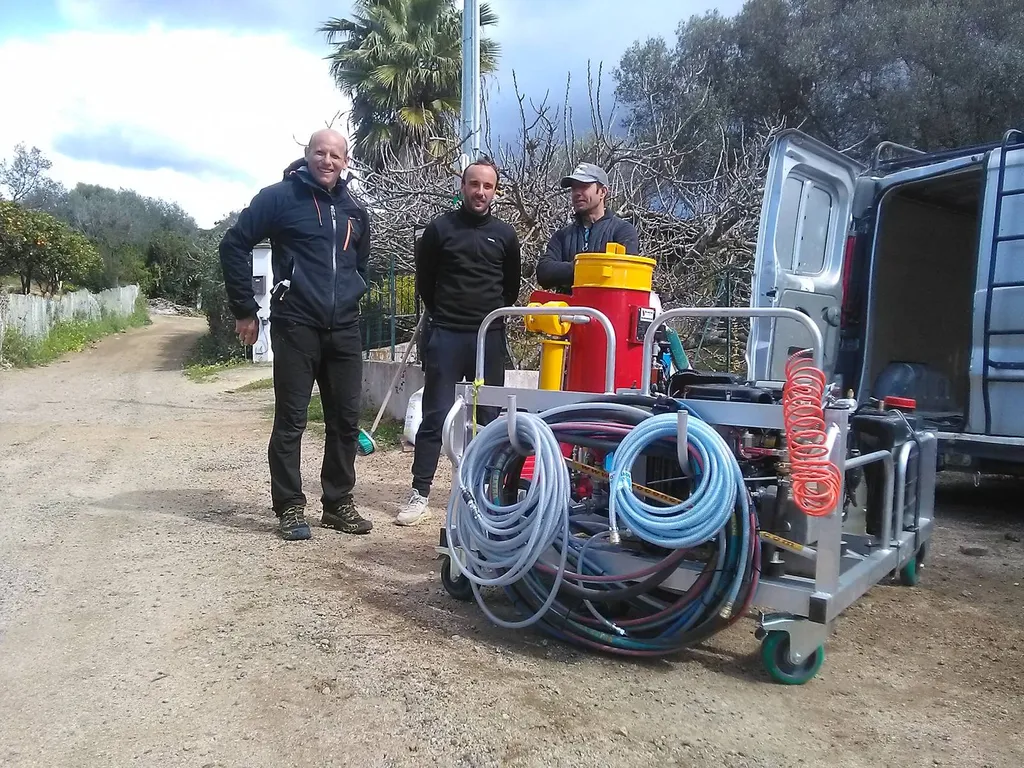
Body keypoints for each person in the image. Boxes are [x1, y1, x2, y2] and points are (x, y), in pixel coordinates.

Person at [218, 128, 374, 541]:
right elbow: (234, 244)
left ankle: (338, 504)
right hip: (296, 325)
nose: (327, 161)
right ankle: (289, 506)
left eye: (335, 155)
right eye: (320, 153)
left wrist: (355, 296)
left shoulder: (356, 211)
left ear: (345, 162)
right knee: (291, 421)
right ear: (307, 156)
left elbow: (361, 265)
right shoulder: (279, 198)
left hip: (344, 329)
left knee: (344, 420)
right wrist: (244, 309)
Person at [395, 159, 522, 526]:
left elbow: (509, 286)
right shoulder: (439, 229)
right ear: (462, 186)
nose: (480, 192)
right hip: (446, 334)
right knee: (435, 416)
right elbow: (426, 283)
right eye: (474, 184)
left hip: (488, 337)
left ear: (495, 191)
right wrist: (445, 318)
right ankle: (419, 493)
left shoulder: (505, 235)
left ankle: (489, 493)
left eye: (488, 186)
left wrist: (486, 321)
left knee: (490, 418)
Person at [535, 162, 640, 293]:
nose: (577, 193)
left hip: (605, 310)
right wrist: (590, 267)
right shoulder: (562, 236)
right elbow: (544, 273)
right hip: (567, 311)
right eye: (574, 188)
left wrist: (570, 271)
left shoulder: (623, 230)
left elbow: (622, 271)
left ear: (602, 192)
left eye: (584, 186)